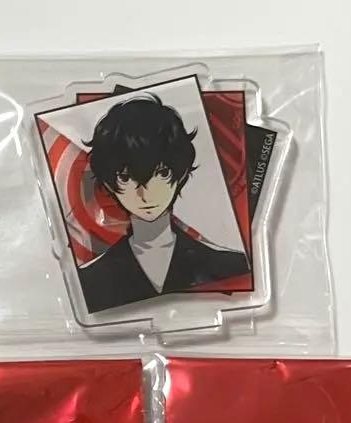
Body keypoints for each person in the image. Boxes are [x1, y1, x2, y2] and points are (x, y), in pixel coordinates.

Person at [77, 95, 249, 312]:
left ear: (181, 174)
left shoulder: (230, 265)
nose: (145, 193)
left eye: (161, 173)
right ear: (110, 185)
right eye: (126, 177)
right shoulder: (90, 279)